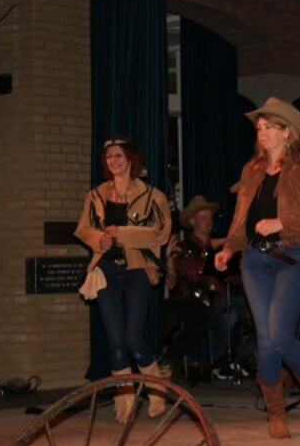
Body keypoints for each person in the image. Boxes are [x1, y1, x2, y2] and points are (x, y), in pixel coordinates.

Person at [213, 97, 300, 439]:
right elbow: (241, 218)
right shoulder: (251, 170)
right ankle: (275, 412)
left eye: (269, 127)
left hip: (295, 257)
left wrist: (282, 223)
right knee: (266, 340)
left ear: (287, 132)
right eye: (259, 128)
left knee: (280, 335)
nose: (262, 132)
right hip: (254, 260)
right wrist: (228, 248)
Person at [75, 136, 172, 422]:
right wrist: (100, 239)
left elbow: (161, 233)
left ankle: (157, 389)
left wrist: (123, 234)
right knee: (115, 341)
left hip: (136, 270)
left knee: (132, 338)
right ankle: (125, 400)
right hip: (105, 270)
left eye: (118, 155)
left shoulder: (153, 196)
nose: (113, 161)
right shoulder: (95, 195)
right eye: (109, 157)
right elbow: (83, 228)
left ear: (131, 159)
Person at [167, 195, 247, 381]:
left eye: (210, 218)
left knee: (245, 310)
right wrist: (215, 268)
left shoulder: (221, 248)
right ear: (192, 221)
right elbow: (193, 274)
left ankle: (233, 359)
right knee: (229, 313)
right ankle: (216, 363)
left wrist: (240, 266)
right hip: (198, 302)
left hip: (221, 300)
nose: (209, 222)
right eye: (204, 217)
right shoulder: (184, 247)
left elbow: (235, 280)